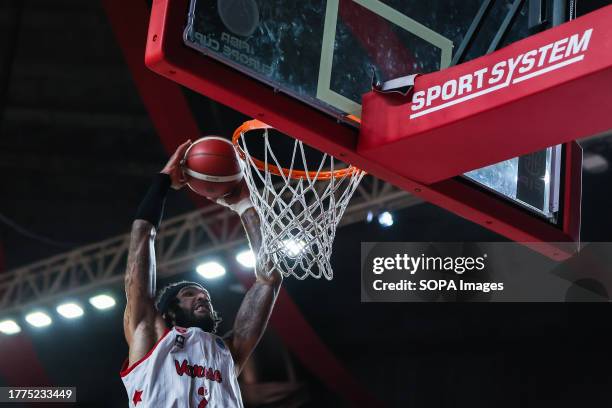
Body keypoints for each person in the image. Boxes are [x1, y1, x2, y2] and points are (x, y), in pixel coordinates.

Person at [120, 140, 282, 407]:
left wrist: (244, 206)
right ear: (168, 311)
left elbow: (269, 279)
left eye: (205, 295)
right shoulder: (150, 334)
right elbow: (142, 237)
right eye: (189, 294)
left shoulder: (228, 351)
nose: (202, 298)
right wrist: (162, 183)